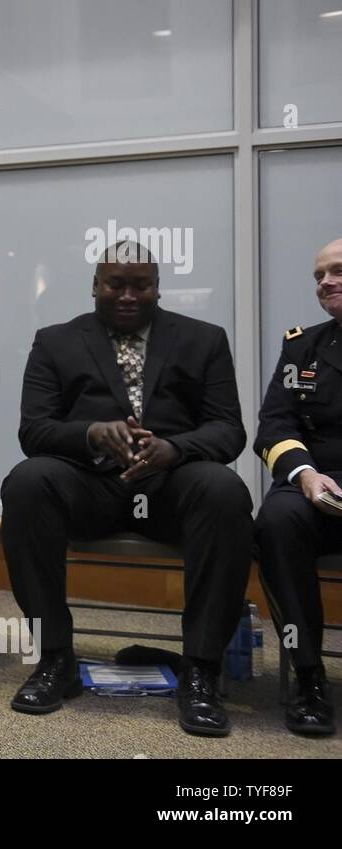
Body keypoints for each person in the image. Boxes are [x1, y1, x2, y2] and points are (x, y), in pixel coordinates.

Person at [1, 240, 252, 737]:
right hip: (91, 485)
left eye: (141, 284)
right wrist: (93, 433)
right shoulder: (55, 340)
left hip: (171, 486)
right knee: (27, 482)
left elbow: (229, 430)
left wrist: (175, 449)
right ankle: (56, 659)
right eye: (116, 283)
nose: (128, 295)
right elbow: (35, 431)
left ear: (158, 287)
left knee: (225, 490)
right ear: (96, 286)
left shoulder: (204, 339)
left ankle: (200, 670)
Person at [251, 236, 342, 737]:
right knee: (277, 521)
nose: (325, 282)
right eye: (319, 275)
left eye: (337, 271)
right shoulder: (302, 345)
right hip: (317, 483)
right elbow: (274, 427)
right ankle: (308, 676)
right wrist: (305, 474)